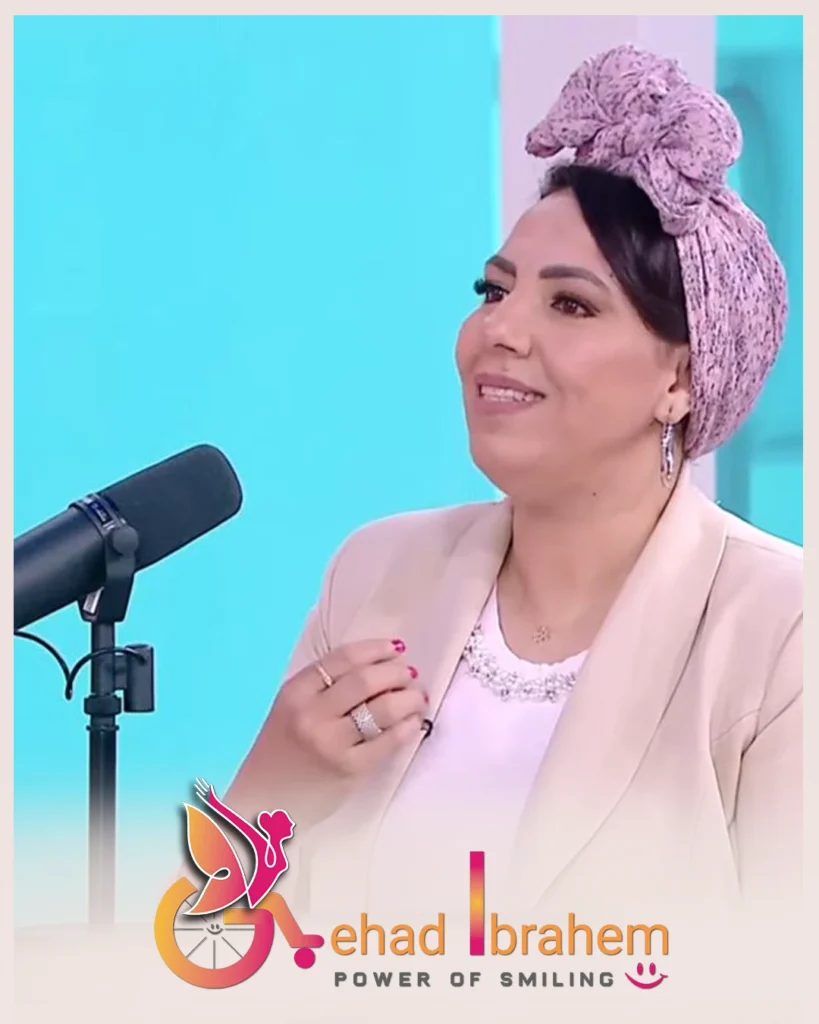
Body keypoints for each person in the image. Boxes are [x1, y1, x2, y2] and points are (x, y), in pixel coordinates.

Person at [224, 45, 801, 925]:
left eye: (569, 305)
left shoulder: (777, 630)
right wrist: (271, 792)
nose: (498, 330)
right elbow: (203, 955)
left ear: (682, 379)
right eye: (492, 291)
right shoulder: (376, 572)